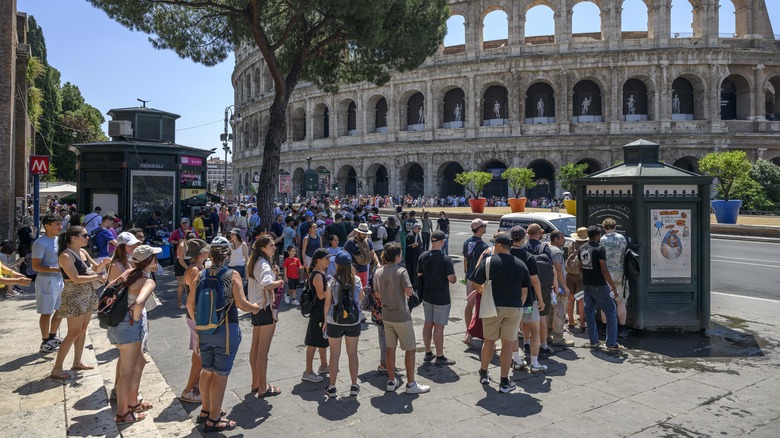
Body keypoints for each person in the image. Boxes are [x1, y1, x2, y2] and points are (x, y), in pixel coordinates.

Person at [189, 239, 260, 432]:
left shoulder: (201, 274)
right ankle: (214, 419)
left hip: (204, 330)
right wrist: (255, 308)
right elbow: (242, 304)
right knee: (220, 375)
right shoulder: (231, 274)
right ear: (227, 256)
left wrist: (200, 322)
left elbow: (189, 304)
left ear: (210, 255)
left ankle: (205, 409)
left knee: (207, 370)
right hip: (225, 329)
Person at [470, 233, 530, 394]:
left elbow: (475, 283)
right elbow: (524, 291)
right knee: (507, 344)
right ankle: (504, 381)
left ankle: (484, 372)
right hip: (514, 308)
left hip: (492, 307)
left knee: (489, 341)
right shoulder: (520, 264)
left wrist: (485, 292)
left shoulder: (488, 262)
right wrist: (519, 306)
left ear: (498, 246)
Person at [49, 226, 110, 380]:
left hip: (87, 294)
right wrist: (96, 277)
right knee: (73, 332)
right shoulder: (66, 256)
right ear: (73, 238)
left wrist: (104, 263)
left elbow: (95, 268)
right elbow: (75, 278)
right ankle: (57, 368)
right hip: (74, 295)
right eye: (84, 235)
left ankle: (77, 361)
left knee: (82, 329)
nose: (88, 237)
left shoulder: (82, 252)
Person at [108, 245, 160, 424]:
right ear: (151, 260)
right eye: (155, 257)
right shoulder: (148, 281)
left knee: (140, 361)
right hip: (129, 328)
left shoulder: (128, 273)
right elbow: (139, 302)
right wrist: (135, 317)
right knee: (126, 372)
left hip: (116, 326)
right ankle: (123, 413)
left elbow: (110, 288)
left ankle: (132, 402)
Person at [373, 243, 430, 394]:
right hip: (401, 315)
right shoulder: (401, 271)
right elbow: (409, 291)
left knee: (390, 348)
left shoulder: (379, 272)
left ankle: (391, 380)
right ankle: (411, 384)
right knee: (410, 349)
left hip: (386, 315)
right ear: (397, 256)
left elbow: (377, 294)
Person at [246, 235, 284, 398]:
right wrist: (280, 282)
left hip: (256, 307)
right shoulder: (263, 264)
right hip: (264, 308)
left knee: (255, 347)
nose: (274, 247)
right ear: (263, 248)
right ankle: (262, 386)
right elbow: (267, 284)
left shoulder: (255, 262)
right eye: (271, 245)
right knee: (263, 351)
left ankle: (256, 382)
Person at [323, 252, 364, 398]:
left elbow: (327, 304)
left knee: (334, 354)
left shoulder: (331, 282)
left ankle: (332, 387)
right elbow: (361, 298)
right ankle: (354, 385)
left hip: (335, 321)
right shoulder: (357, 280)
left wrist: (325, 322)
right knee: (352, 353)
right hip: (353, 320)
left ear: (338, 265)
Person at [508, 226, 546, 373]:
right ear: (524, 238)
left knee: (512, 331)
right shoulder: (528, 257)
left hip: (511, 299)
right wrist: (541, 300)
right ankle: (535, 363)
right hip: (529, 300)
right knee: (535, 329)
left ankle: (517, 359)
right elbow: (535, 281)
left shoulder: (505, 254)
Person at [580, 225, 624, 350]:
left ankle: (593, 341)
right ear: (596, 236)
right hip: (599, 284)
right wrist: (613, 287)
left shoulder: (582, 248)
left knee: (589, 312)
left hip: (587, 284)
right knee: (611, 312)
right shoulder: (600, 249)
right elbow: (604, 269)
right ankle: (611, 343)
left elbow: (579, 267)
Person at [417, 231, 457, 366]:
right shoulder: (445, 259)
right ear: (441, 241)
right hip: (441, 297)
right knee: (439, 327)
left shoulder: (423, 255)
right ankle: (440, 356)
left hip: (427, 295)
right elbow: (452, 280)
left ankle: (428, 352)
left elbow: (419, 274)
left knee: (428, 323)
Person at [180, 238, 210, 404]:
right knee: (200, 355)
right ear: (200, 254)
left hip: (196, 316)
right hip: (197, 317)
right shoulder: (195, 270)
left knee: (197, 354)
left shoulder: (197, 268)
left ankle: (195, 385)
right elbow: (194, 298)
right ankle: (188, 390)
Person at [32, 214, 65, 354]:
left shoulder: (59, 240)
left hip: (60, 280)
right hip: (46, 280)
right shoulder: (40, 243)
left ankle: (52, 336)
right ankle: (45, 341)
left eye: (60, 223)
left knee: (61, 310)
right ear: (47, 226)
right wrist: (58, 269)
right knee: (46, 312)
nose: (60, 226)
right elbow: (35, 266)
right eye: (57, 224)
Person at [527, 223, 558, 357]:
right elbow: (552, 268)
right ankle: (543, 344)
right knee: (542, 317)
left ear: (527, 233)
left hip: (527, 287)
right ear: (539, 233)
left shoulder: (523, 247)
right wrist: (554, 285)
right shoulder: (544, 248)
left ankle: (527, 342)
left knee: (527, 316)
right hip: (543, 287)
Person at [301, 248, 331, 383]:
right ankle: (308, 371)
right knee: (313, 341)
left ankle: (324, 365)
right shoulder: (318, 275)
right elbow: (321, 295)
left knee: (322, 339)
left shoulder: (320, 272)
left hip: (320, 310)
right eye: (326, 258)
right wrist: (330, 287)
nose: (329, 261)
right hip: (318, 310)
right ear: (319, 260)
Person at [600, 218, 629, 338]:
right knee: (621, 302)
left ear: (604, 228)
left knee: (606, 302)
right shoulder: (622, 239)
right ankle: (622, 328)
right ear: (615, 226)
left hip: (606, 273)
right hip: (620, 273)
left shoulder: (602, 240)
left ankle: (605, 327)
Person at [462, 218, 489, 347]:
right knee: (481, 307)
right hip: (479, 280)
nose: (485, 228)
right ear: (479, 229)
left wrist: (466, 274)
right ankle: (481, 335)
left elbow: (465, 260)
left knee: (470, 304)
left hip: (469, 277)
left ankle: (468, 331)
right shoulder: (484, 246)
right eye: (484, 226)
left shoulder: (467, 242)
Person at [548, 230, 574, 347]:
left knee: (549, 312)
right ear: (556, 239)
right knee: (559, 312)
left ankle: (547, 335)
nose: (564, 240)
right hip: (558, 288)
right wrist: (565, 287)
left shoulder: (545, 247)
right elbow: (558, 270)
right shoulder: (557, 252)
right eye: (562, 238)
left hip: (548, 287)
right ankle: (558, 338)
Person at [343, 223, 380, 290]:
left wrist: (378, 263)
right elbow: (344, 256)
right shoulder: (350, 242)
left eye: (366, 234)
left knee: (363, 290)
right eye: (363, 234)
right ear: (358, 233)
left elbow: (373, 253)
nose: (365, 236)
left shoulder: (368, 241)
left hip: (364, 270)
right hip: (354, 272)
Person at [566, 227, 588, 331]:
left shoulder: (572, 245)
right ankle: (582, 322)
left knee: (570, 299)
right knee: (581, 300)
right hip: (580, 275)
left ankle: (570, 321)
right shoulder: (587, 246)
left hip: (570, 275)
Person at [405, 223, 423, 290]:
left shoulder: (417, 235)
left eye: (420, 228)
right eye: (418, 228)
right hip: (411, 257)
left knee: (415, 270)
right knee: (411, 270)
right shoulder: (411, 235)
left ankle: (415, 283)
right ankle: (412, 284)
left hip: (416, 256)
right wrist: (412, 245)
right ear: (414, 228)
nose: (419, 230)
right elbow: (407, 247)